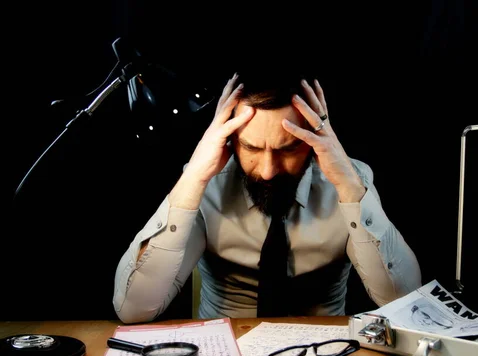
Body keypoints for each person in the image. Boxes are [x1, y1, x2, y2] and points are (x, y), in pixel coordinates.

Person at [113, 69, 421, 323]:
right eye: (251, 148)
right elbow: (133, 309)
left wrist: (350, 188)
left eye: (288, 148)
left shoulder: (351, 182)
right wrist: (192, 178)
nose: (269, 170)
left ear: (314, 141)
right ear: (230, 141)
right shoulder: (204, 186)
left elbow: (404, 302)